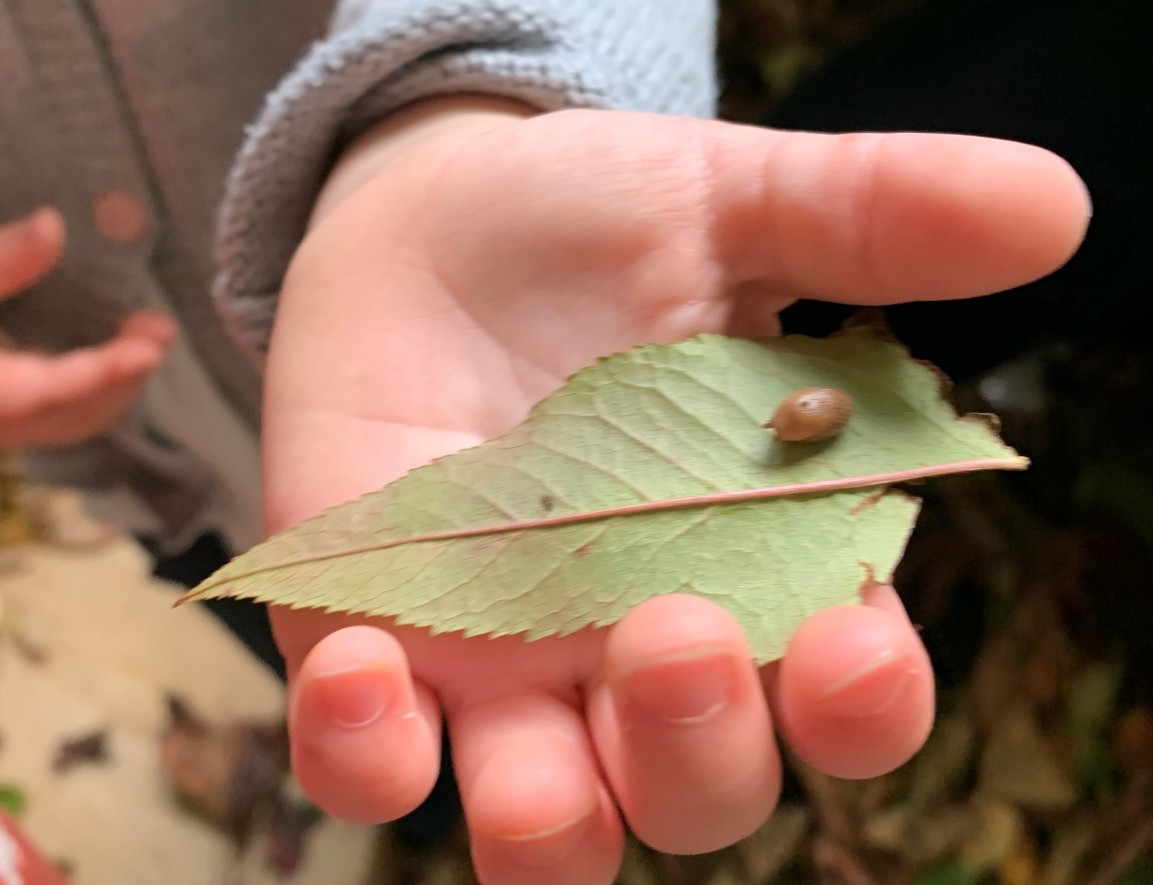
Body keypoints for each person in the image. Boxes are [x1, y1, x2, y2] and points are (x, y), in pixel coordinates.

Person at [1, 2, 1090, 882]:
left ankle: (431, 808)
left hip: (383, 371)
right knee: (339, 664)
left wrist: (475, 96)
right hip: (163, 470)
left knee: (402, 665)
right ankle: (428, 811)